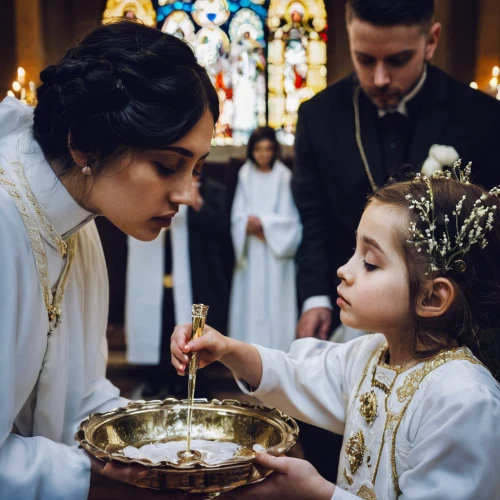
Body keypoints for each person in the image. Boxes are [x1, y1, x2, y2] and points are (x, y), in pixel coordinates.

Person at [172, 165, 500, 499]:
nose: (344, 270)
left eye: (370, 263)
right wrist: (228, 349)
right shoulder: (371, 353)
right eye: (354, 252)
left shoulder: (464, 400)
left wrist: (319, 494)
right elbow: (299, 374)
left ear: (431, 297)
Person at [0, 20, 219, 499]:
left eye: (196, 168)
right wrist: (98, 482)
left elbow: (79, 391)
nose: (185, 193)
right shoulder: (5, 219)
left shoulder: (79, 217)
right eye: (167, 165)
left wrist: (169, 450)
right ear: (85, 144)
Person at [293, 0, 500, 341]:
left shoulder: (483, 119)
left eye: (397, 60)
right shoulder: (318, 117)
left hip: (453, 326)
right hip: (352, 315)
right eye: (365, 59)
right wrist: (315, 300)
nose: (380, 78)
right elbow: (313, 220)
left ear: (430, 41)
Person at [126, 174, 233, 399]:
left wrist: (197, 202)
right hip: (163, 270)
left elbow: (221, 229)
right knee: (163, 324)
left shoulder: (214, 190)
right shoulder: (163, 185)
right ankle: (160, 377)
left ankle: (194, 378)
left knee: (195, 327)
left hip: (199, 273)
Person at [228, 126, 302, 351]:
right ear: (252, 150)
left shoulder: (283, 176)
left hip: (274, 253)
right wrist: (246, 225)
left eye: (268, 149)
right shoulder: (245, 174)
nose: (263, 154)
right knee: (252, 302)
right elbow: (237, 215)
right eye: (259, 149)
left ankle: (278, 354)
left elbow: (290, 219)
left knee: (275, 302)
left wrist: (266, 227)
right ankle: (247, 354)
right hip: (252, 251)